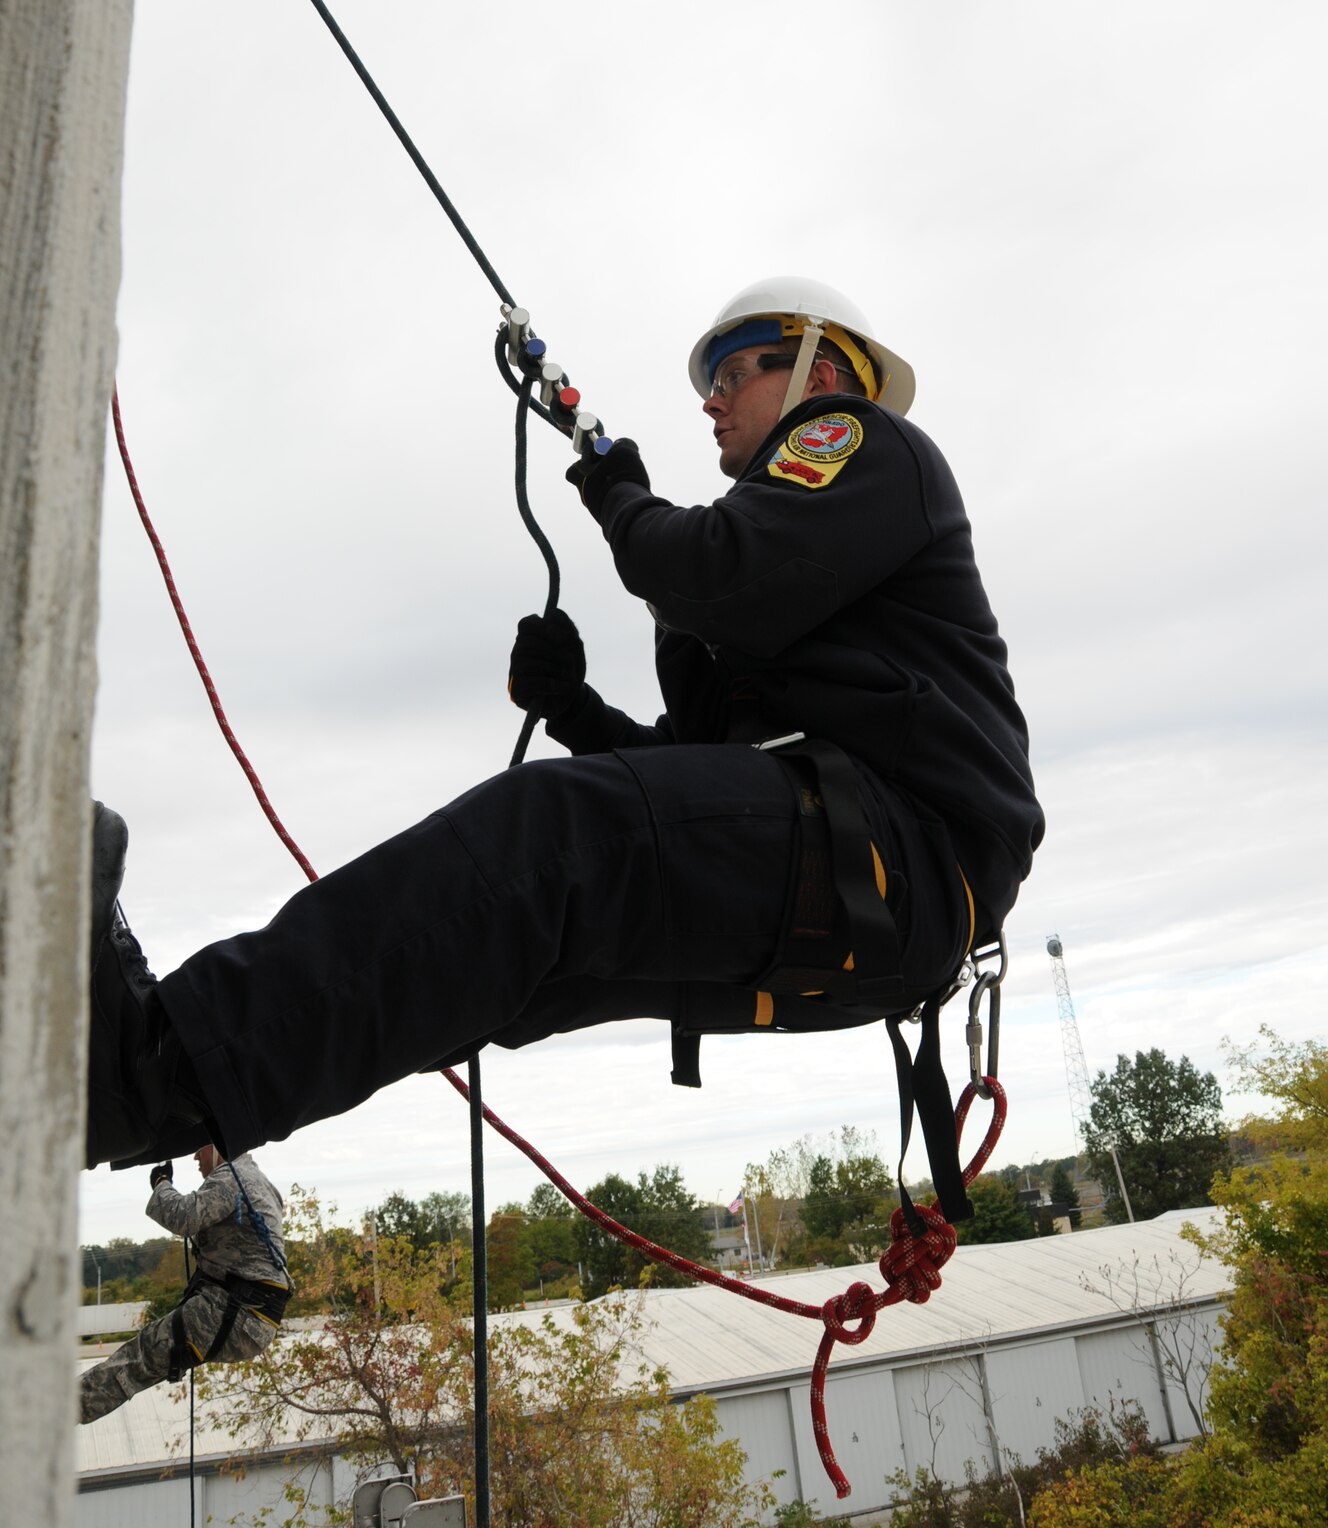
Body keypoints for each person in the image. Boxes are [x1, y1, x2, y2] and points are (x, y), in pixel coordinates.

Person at [85, 277, 1043, 1211]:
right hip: (858, 891)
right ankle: (158, 1094)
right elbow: (701, 773)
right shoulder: (797, 557)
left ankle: (146, 1064)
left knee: (543, 835)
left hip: (904, 855)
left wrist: (618, 497)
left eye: (735, 373)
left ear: (819, 376)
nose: (711, 401)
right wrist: (574, 707)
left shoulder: (859, 444)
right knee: (502, 973)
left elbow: (707, 570)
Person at [79, 1136, 290, 1424]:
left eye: (199, 1148)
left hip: (237, 1314)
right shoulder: (257, 1181)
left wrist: (161, 1183)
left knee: (140, 1356)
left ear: (218, 1146)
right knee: (150, 1355)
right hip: (250, 1317)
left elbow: (183, 1216)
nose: (195, 1158)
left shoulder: (233, 1179)